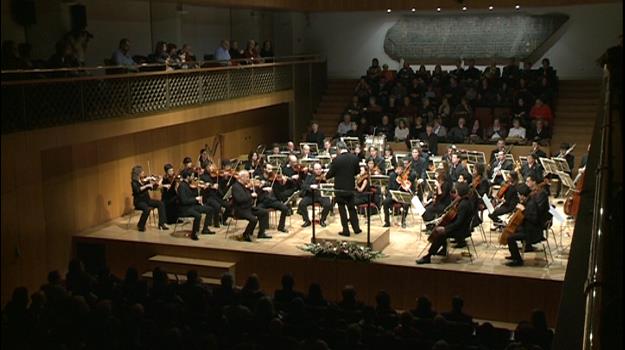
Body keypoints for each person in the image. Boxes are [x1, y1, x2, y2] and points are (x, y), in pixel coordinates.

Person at [417, 182, 475, 264]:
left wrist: (445, 229)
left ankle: (428, 256)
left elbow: (458, 222)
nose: (455, 192)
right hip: (462, 227)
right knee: (442, 228)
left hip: (462, 231)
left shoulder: (463, 205)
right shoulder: (466, 201)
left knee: (439, 233)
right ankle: (443, 250)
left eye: (456, 190)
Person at [504, 181, 547, 267]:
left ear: (523, 195)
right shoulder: (529, 201)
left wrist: (524, 210)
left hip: (532, 232)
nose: (518, 197)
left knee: (510, 238)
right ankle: (514, 255)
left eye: (519, 195)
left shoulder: (531, 204)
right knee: (512, 232)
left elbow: (534, 219)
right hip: (528, 228)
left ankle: (518, 260)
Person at [325, 142, 362, 237]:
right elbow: (357, 171)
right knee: (352, 208)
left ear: (338, 148)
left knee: (342, 209)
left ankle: (346, 230)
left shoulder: (336, 159)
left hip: (339, 189)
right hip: (350, 187)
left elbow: (329, 175)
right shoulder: (354, 158)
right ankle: (356, 229)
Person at [231, 170, 271, 242]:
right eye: (247, 177)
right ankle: (246, 234)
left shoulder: (244, 186)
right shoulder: (235, 187)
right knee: (253, 219)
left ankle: (261, 233)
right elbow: (240, 199)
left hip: (248, 208)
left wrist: (257, 190)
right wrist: (251, 196)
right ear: (242, 177)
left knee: (264, 212)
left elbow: (251, 196)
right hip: (240, 210)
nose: (248, 179)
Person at [177, 170, 215, 240]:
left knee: (210, 209)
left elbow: (191, 196)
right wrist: (195, 199)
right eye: (192, 176)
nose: (193, 177)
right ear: (188, 177)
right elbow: (184, 201)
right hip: (184, 209)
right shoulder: (182, 186)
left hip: (191, 206)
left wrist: (198, 197)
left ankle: (205, 229)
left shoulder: (188, 184)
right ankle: (194, 234)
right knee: (198, 215)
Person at [131, 165, 168, 231]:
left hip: (147, 200)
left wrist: (159, 181)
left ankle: (161, 224)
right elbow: (137, 190)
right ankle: (140, 225)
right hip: (139, 202)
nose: (143, 173)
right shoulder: (134, 182)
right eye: (142, 172)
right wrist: (147, 186)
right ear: (138, 173)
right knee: (147, 209)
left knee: (160, 203)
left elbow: (153, 188)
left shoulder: (145, 180)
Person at [257, 164, 290, 233]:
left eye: (271, 169)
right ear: (264, 169)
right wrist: (263, 188)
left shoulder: (274, 179)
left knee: (285, 208)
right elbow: (256, 191)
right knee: (259, 210)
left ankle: (281, 227)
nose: (271, 171)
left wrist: (283, 183)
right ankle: (262, 231)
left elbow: (280, 190)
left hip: (272, 201)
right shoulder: (259, 178)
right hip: (262, 201)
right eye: (269, 169)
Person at [297, 163, 331, 227]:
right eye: (316, 169)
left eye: (320, 169)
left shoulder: (325, 176)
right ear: (313, 170)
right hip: (311, 195)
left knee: (328, 205)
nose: (318, 170)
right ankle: (307, 221)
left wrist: (327, 181)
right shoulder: (310, 176)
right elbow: (304, 186)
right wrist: (311, 187)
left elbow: (329, 185)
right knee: (302, 204)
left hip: (322, 195)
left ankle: (322, 220)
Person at [383, 162, 411, 228]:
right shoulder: (392, 175)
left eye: (401, 169)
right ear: (396, 169)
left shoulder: (405, 176)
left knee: (406, 204)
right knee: (385, 202)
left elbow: (406, 189)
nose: (399, 171)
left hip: (401, 196)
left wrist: (405, 185)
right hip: (392, 195)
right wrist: (393, 195)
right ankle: (387, 222)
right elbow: (390, 188)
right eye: (398, 169)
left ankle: (403, 221)